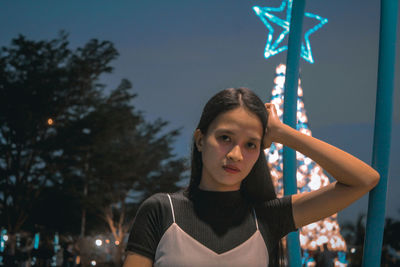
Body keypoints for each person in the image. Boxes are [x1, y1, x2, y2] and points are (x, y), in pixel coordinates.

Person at [123, 88, 379, 267]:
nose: (236, 154)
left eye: (250, 145)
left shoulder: (267, 217)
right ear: (201, 140)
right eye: (225, 138)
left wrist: (283, 134)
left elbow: (363, 179)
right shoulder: (161, 211)